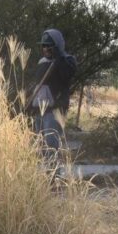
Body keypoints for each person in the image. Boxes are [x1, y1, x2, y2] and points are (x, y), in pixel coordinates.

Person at [26, 28, 77, 169]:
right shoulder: (42, 61)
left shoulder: (67, 60)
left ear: (57, 46)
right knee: (40, 146)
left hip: (54, 111)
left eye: (49, 45)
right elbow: (38, 85)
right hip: (39, 110)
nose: (46, 49)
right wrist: (31, 103)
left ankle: (54, 178)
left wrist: (59, 57)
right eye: (44, 45)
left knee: (51, 145)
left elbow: (67, 75)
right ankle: (45, 178)